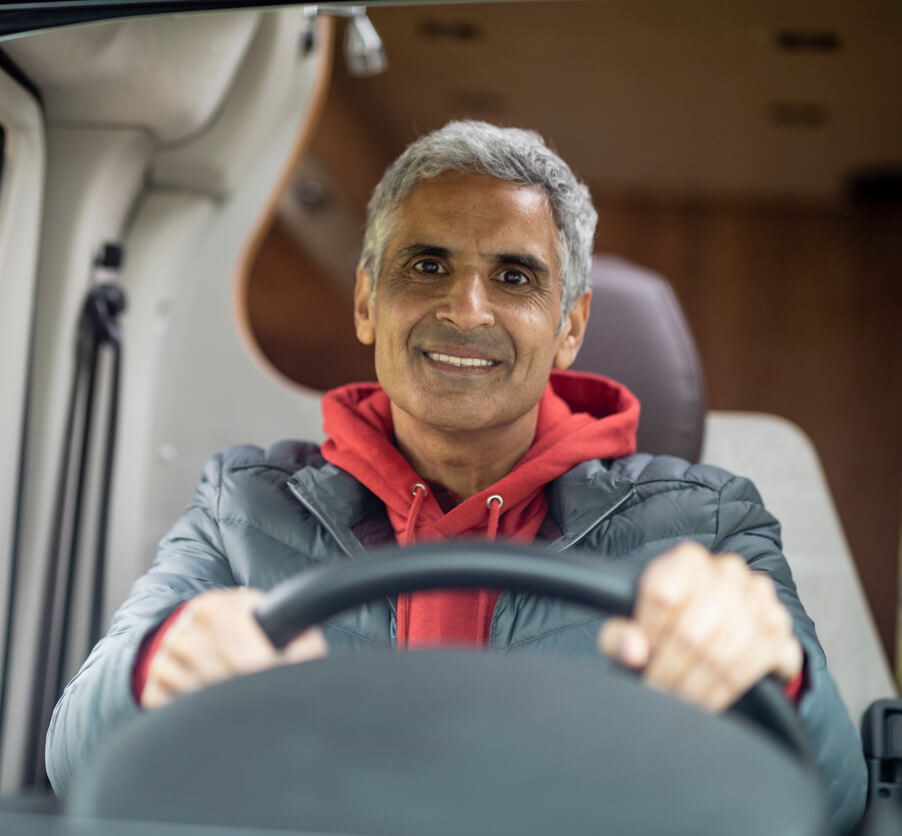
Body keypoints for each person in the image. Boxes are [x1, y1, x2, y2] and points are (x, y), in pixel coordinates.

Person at [45, 120, 866, 830]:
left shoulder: (711, 524)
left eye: (514, 277)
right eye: (427, 266)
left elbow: (836, 795)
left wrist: (775, 670)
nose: (467, 309)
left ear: (570, 326)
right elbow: (76, 756)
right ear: (367, 301)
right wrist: (161, 663)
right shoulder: (241, 506)